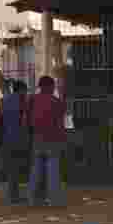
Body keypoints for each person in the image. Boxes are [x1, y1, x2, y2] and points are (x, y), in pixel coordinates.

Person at [26, 75, 66, 206]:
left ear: (39, 86)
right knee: (52, 169)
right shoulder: (57, 102)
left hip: (37, 137)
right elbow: (60, 123)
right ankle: (54, 199)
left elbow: (26, 120)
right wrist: (62, 138)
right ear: (50, 86)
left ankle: (32, 199)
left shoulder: (32, 100)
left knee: (36, 169)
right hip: (53, 138)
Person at [0, 80, 30, 204]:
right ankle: (19, 195)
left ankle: (12, 195)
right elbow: (26, 120)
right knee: (23, 167)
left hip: (6, 138)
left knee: (12, 169)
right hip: (20, 138)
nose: (26, 93)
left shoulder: (3, 101)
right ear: (21, 90)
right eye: (25, 91)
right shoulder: (24, 101)